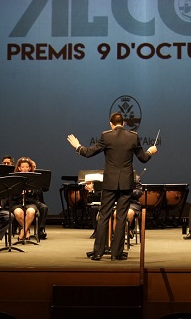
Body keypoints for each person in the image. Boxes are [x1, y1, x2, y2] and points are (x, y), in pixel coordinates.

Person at [67, 112, 158, 261]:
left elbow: (89, 153)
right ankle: (116, 254)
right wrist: (150, 151)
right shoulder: (133, 136)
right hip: (126, 183)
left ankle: (98, 252)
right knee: (121, 218)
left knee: (103, 217)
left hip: (109, 183)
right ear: (123, 123)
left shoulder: (106, 135)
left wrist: (77, 146)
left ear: (111, 124)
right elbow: (143, 158)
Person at [9, 157, 42, 241]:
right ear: (19, 168)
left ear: (30, 168)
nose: (25, 169)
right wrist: (18, 192)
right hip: (17, 202)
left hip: (31, 202)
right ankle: (27, 231)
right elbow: (11, 193)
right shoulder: (14, 178)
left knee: (30, 212)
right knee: (18, 213)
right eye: (23, 167)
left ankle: (23, 231)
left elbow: (38, 191)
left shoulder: (35, 178)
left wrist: (30, 191)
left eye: (27, 167)